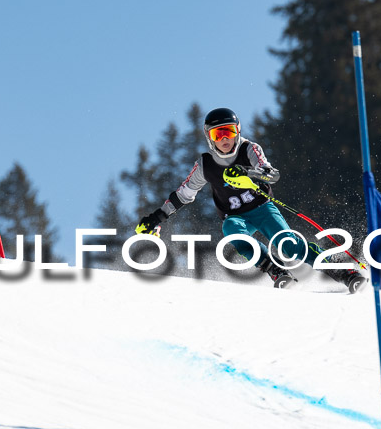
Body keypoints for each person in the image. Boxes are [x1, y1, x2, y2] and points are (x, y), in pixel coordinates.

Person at [135, 107, 366, 293]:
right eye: (218, 134)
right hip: (236, 217)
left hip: (263, 209)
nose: (225, 139)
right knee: (231, 230)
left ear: (238, 131)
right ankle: (274, 269)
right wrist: (157, 218)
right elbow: (183, 194)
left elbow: (271, 174)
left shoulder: (249, 149)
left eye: (229, 132)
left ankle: (344, 273)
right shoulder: (205, 165)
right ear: (209, 138)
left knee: (289, 245)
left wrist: (249, 173)